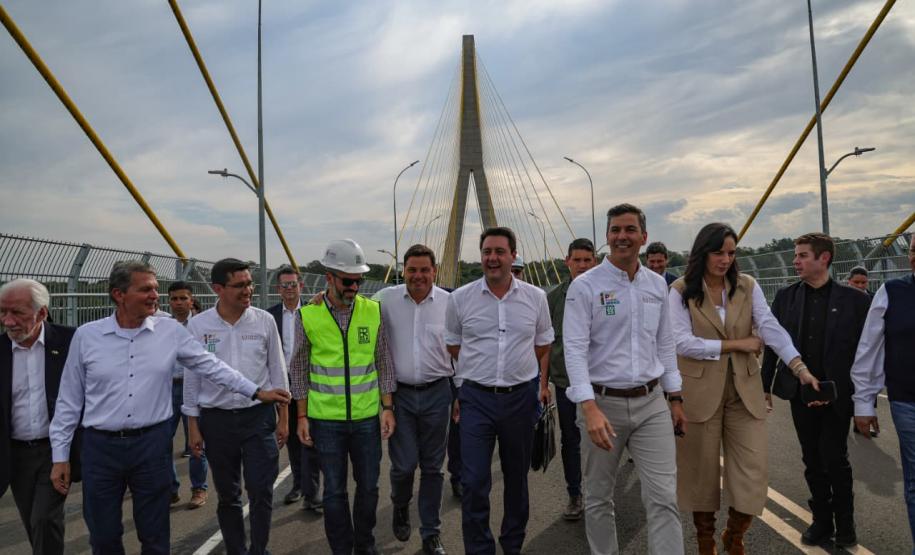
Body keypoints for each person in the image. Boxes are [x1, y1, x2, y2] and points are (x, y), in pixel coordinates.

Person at [49, 260, 290, 554]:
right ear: (118, 294)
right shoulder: (87, 336)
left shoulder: (170, 332)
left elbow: (210, 367)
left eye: (155, 289)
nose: (155, 296)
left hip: (152, 446)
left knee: (155, 535)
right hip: (100, 449)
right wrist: (60, 456)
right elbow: (69, 401)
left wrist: (256, 392)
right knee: (103, 535)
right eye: (146, 289)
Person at [671, 224, 821, 554]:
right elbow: (682, 342)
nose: (726, 259)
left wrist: (799, 367)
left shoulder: (746, 286)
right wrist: (738, 343)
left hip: (744, 392)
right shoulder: (682, 290)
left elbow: (769, 327)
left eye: (731, 252)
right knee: (701, 474)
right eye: (718, 252)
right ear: (702, 253)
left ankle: (735, 535)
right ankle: (705, 542)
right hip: (699, 394)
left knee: (754, 471)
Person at [563, 203, 685, 555]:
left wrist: (675, 397)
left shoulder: (656, 285)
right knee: (599, 497)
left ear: (644, 237)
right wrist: (589, 408)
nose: (622, 237)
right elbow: (574, 349)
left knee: (664, 498)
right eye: (615, 230)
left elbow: (665, 343)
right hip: (602, 404)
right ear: (607, 237)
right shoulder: (586, 287)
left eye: (630, 230)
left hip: (651, 405)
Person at [445, 226, 554, 555]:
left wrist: (524, 375)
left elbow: (543, 344)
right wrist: (480, 373)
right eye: (487, 252)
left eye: (499, 252)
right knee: (474, 481)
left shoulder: (535, 298)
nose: (492, 258)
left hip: (520, 399)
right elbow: (453, 345)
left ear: (513, 255)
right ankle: (479, 549)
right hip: (476, 399)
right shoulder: (460, 298)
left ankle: (512, 546)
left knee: (516, 480)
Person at [760, 233, 870, 548]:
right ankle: (821, 522)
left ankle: (845, 526)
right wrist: (764, 384)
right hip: (799, 393)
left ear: (824, 259)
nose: (796, 261)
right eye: (795, 255)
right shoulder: (785, 297)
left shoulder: (855, 300)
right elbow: (772, 344)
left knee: (836, 458)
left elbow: (868, 354)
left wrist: (865, 400)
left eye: (803, 255)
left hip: (837, 393)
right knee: (812, 459)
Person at [290, 239, 397, 555]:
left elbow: (383, 361)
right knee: (334, 492)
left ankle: (365, 545)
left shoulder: (372, 311)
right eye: (348, 280)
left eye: (358, 280)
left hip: (366, 419)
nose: (354, 286)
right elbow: (298, 369)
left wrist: (387, 406)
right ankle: (341, 548)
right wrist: (301, 416)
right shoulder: (307, 316)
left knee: (369, 488)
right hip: (326, 422)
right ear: (329, 277)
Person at [183, 258, 290, 555]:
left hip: (258, 419)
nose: (248, 290)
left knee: (261, 490)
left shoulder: (264, 321)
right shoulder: (199, 325)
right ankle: (235, 550)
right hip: (216, 421)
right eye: (240, 285)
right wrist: (193, 426)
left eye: (250, 283)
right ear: (218, 288)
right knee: (228, 495)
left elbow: (277, 371)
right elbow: (193, 378)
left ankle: (259, 549)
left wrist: (284, 418)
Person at [380, 244, 452, 555]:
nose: (418, 276)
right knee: (404, 466)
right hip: (401, 396)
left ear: (434, 272)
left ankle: (431, 534)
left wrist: (460, 395)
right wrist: (318, 297)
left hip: (439, 392)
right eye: (412, 270)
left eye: (424, 270)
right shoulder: (385, 300)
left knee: (434, 469)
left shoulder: (451, 303)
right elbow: (349, 308)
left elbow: (461, 351)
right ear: (403, 271)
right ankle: (400, 504)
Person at [0, 279, 78, 555]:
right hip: (16, 453)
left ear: (42, 312)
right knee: (32, 522)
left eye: (17, 313)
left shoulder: (71, 341)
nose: (8, 321)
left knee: (44, 518)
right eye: (2, 312)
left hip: (56, 450)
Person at [851, 233, 915, 551]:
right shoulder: (891, 292)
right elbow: (869, 349)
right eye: (914, 250)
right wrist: (864, 403)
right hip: (907, 402)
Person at [541, 237, 597, 521]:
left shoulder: (607, 294)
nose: (583, 266)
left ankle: (601, 493)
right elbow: (546, 346)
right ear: (568, 263)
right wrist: (542, 385)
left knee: (602, 439)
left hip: (602, 382)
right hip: (566, 384)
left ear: (595, 262)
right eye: (577, 260)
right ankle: (575, 494)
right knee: (570, 440)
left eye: (588, 260)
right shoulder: (553, 299)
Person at [268, 265, 323, 512]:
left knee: (309, 439)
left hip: (311, 386)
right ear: (278, 289)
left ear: (301, 286)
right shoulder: (269, 317)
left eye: (293, 284)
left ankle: (312, 493)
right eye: (284, 285)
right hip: (284, 387)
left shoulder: (315, 311)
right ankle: (298, 485)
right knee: (291, 439)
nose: (289, 289)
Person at [167, 281, 209, 510]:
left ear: (192, 300)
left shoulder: (202, 325)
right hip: (168, 388)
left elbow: (210, 355)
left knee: (196, 442)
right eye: (174, 299)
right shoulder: (163, 325)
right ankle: (171, 488)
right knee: (163, 441)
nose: (179, 303)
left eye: (183, 298)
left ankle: (199, 488)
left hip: (194, 388)